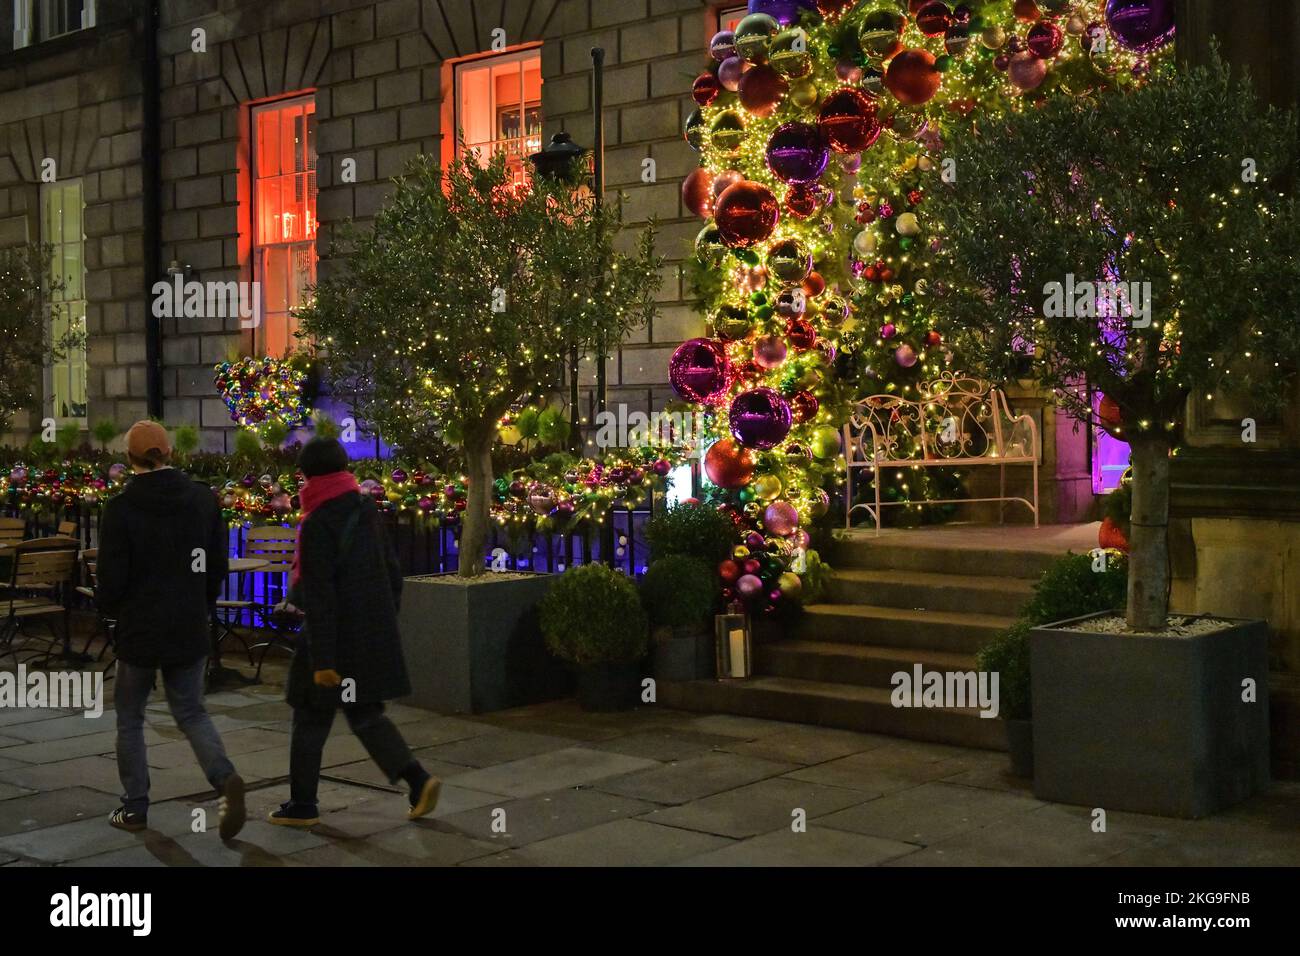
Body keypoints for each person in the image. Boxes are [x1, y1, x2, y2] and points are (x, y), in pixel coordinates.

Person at [269, 437, 439, 827]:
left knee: (311, 715)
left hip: (330, 640)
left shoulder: (317, 521)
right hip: (369, 633)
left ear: (309, 475)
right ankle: (418, 780)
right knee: (365, 713)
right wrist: (381, 619)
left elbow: (321, 595)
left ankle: (303, 805)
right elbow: (393, 574)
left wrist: (324, 661)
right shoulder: (365, 509)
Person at [97, 420, 245, 840]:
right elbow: (216, 563)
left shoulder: (122, 508)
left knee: (130, 716)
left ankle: (136, 807)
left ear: (129, 460)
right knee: (192, 711)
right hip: (188, 623)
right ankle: (224, 777)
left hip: (140, 627)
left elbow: (111, 578)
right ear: (171, 454)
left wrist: (111, 610)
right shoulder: (201, 499)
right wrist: (202, 603)